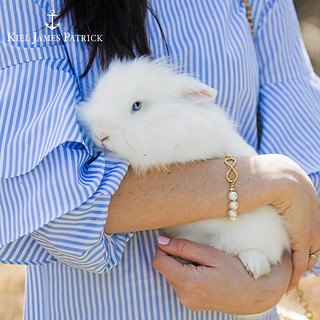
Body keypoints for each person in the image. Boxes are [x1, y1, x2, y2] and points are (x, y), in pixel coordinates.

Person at [0, 0, 319, 319]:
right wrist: (269, 181)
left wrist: (276, 274)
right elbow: (52, 201)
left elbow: (306, 154)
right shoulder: (29, 8)